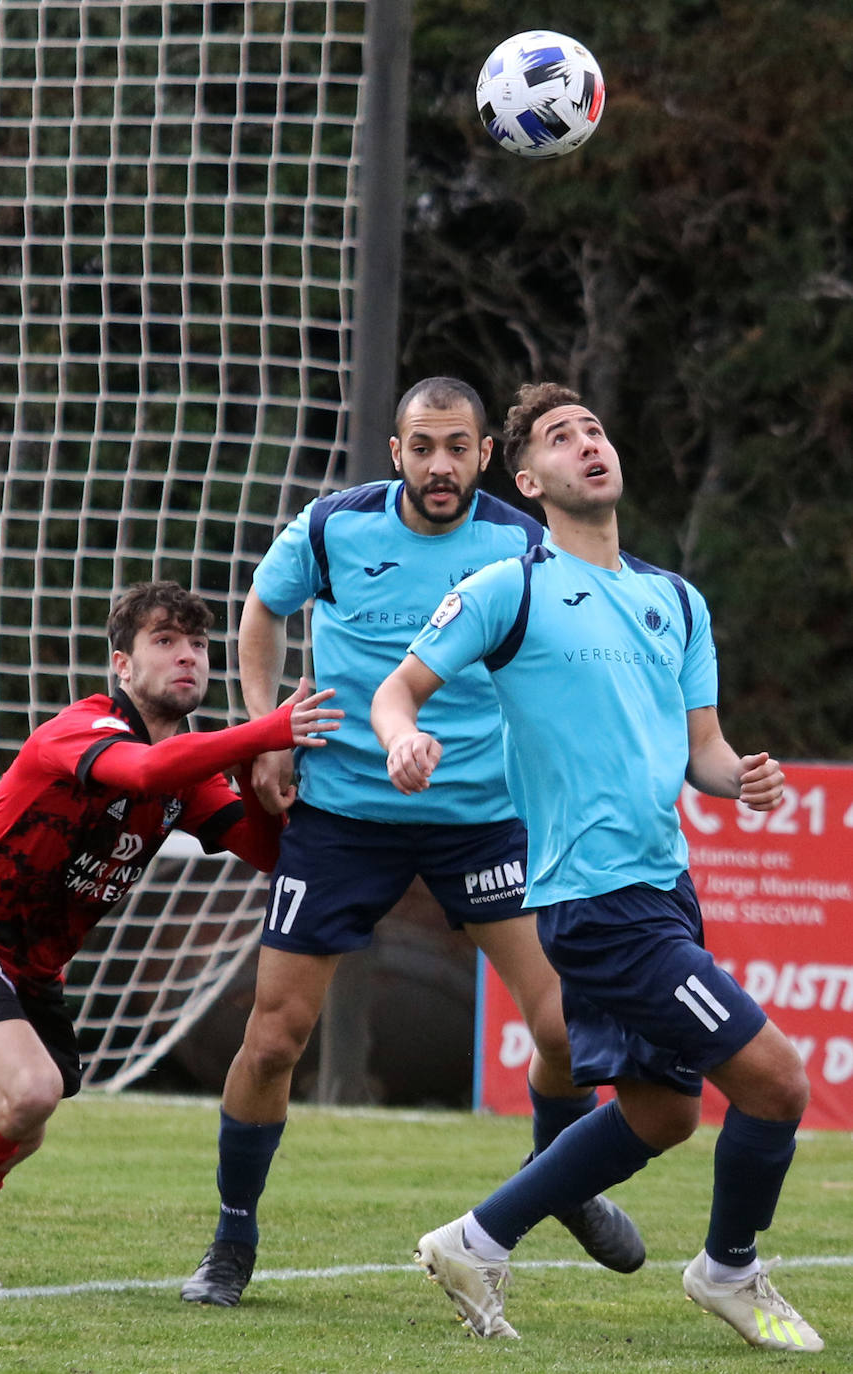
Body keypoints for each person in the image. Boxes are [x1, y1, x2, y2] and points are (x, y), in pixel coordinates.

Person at [370, 382, 822, 1352]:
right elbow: (396, 692)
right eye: (562, 439)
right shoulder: (511, 588)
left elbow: (701, 749)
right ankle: (729, 1270)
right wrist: (403, 739)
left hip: (665, 887)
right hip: (597, 899)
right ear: (528, 478)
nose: (589, 446)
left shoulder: (676, 600)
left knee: (662, 1113)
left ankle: (476, 1238)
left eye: (595, 431)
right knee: (778, 1082)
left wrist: (737, 775)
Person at [180, 377, 644, 1310]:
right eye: (423, 447)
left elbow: (573, 641)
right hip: (345, 816)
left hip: (483, 818)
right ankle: (231, 1240)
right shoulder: (332, 528)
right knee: (275, 1038)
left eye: (458, 448)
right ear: (395, 453)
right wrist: (266, 731)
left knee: (561, 1027)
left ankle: (562, 1180)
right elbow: (261, 614)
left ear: (485, 459)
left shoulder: (520, 541)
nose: (441, 466)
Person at [0, 580, 343, 1294]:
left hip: (34, 973)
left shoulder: (193, 774)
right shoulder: (80, 730)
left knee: (26, 1122)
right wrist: (266, 731)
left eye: (199, 645)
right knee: (29, 1092)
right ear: (122, 666)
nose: (188, 658)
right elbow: (145, 770)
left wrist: (259, 779)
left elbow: (270, 852)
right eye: (165, 642)